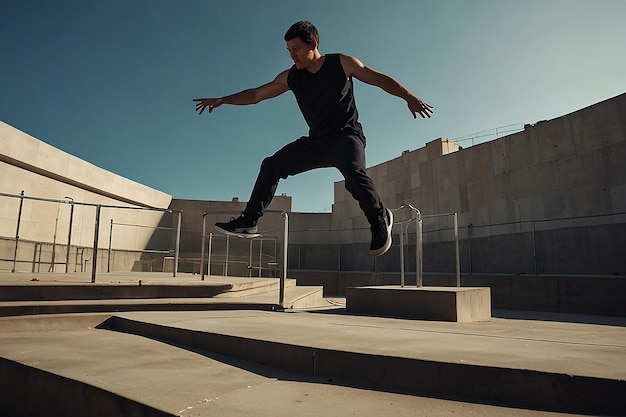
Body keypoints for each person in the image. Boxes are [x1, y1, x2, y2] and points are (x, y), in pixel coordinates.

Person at [194, 21, 433, 257]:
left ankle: (379, 218)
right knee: (271, 165)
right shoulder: (291, 77)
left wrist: (408, 97)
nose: (292, 56)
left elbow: (378, 79)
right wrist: (223, 100)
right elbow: (257, 94)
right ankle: (249, 221)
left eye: (296, 49)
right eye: (289, 51)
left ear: (313, 44)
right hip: (317, 142)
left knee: (353, 173)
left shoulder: (342, 63)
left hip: (346, 136)